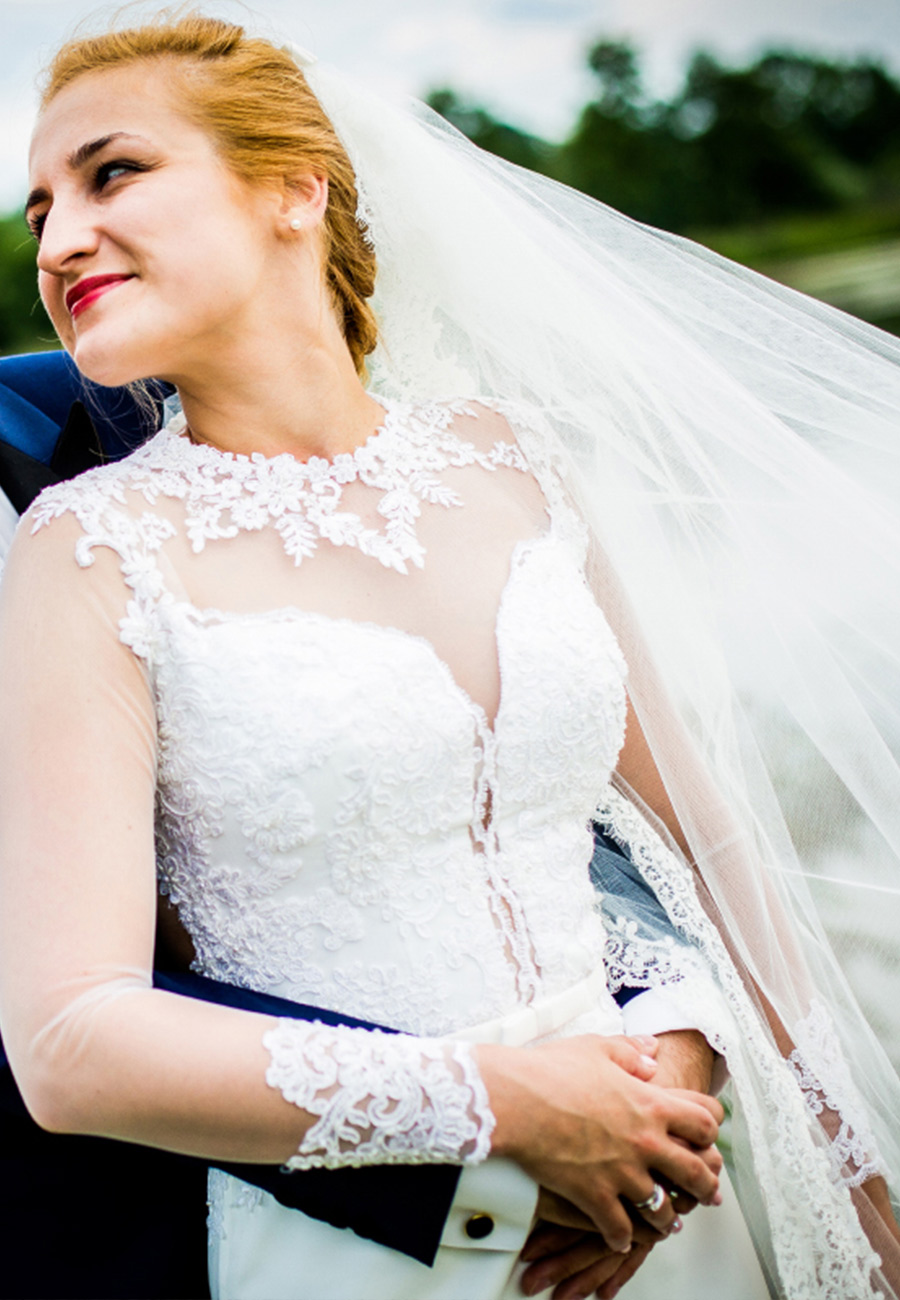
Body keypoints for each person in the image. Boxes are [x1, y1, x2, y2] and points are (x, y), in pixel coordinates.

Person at [0, 10, 898, 1300]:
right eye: (41, 212)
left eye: (112, 174)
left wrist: (823, 1158)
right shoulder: (85, 548)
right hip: (370, 1248)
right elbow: (70, 1044)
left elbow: (699, 841)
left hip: (660, 1186)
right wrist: (508, 1105)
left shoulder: (518, 462)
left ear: (294, 189)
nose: (58, 241)